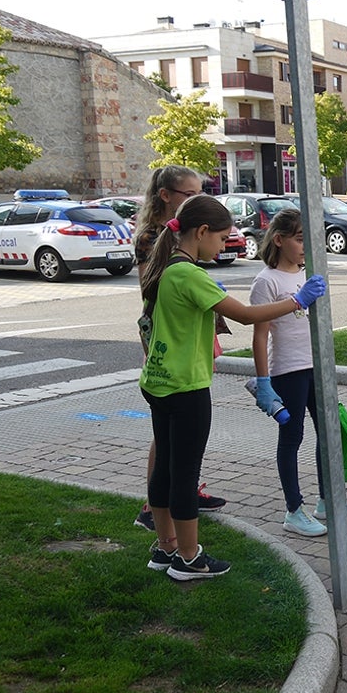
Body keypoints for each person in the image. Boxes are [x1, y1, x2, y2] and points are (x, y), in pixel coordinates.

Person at [140, 195, 327, 580]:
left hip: (158, 381)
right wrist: (297, 301)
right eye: (223, 239)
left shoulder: (169, 267)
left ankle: (166, 547)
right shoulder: (189, 274)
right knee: (183, 473)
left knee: (165, 471)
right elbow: (245, 316)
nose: (226, 246)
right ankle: (190, 558)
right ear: (202, 232)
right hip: (185, 384)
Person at [251, 208, 347, 538]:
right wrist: (264, 381)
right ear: (279, 239)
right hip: (288, 370)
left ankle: (327, 500)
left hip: (317, 366)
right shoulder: (266, 281)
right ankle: (293, 509)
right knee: (292, 438)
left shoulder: (307, 274)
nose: (306, 246)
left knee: (328, 433)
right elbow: (259, 335)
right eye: (300, 239)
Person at [132, 166, 227, 533]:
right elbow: (152, 292)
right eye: (190, 194)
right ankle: (167, 508)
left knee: (177, 440)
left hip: (185, 334)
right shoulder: (157, 239)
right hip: (169, 339)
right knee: (172, 439)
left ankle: (178, 501)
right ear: (166, 195)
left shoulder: (182, 238)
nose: (197, 199)